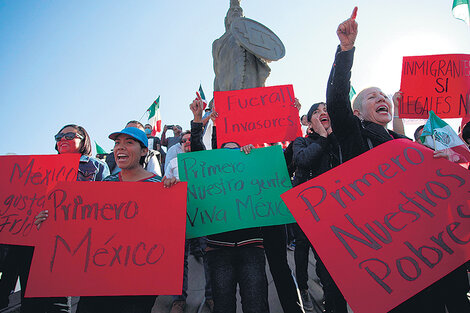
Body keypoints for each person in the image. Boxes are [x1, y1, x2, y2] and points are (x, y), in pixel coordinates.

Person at [327, 8, 470, 313]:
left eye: (384, 95)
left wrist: (443, 164)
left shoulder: (405, 144)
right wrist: (346, 51)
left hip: (432, 248)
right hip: (392, 255)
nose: (381, 98)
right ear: (357, 113)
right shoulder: (354, 137)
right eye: (372, 96)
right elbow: (337, 100)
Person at [36, 127, 177, 313]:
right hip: (99, 281)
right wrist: (49, 222)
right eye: (117, 143)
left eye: (129, 142)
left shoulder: (160, 186)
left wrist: (173, 194)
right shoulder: (104, 185)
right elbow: (80, 227)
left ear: (144, 151)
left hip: (139, 284)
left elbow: (169, 231)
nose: (120, 147)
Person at [22, 124, 109, 313]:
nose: (62, 139)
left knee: (59, 300)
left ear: (83, 139)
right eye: (58, 136)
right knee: (31, 302)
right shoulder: (41, 167)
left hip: (77, 239)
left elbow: (108, 201)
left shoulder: (96, 166)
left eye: (69, 135)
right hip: (41, 238)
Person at [292, 102, 346, 313]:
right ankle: (304, 288)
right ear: (310, 124)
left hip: (337, 209)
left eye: (326, 110)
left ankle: (332, 296)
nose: (323, 113)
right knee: (304, 248)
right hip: (308, 208)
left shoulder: (340, 141)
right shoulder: (302, 142)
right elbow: (302, 161)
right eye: (317, 111)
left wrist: (331, 137)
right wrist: (322, 138)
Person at [212, 0, 271, 92]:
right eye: (232, 10)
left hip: (250, 86)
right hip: (227, 89)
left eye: (239, 10)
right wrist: (215, 95)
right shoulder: (218, 43)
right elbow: (217, 72)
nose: (236, 10)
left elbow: (265, 55)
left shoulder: (252, 36)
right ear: (226, 20)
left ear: (244, 18)